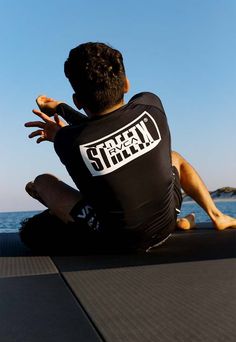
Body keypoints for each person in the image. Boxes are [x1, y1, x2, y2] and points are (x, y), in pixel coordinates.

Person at [23, 41, 236, 254]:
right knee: (174, 157)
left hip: (117, 240)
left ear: (77, 100)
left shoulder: (67, 141)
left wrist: (60, 123)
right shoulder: (150, 104)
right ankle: (217, 216)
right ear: (126, 84)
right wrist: (63, 113)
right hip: (164, 224)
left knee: (42, 183)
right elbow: (109, 127)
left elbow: (96, 133)